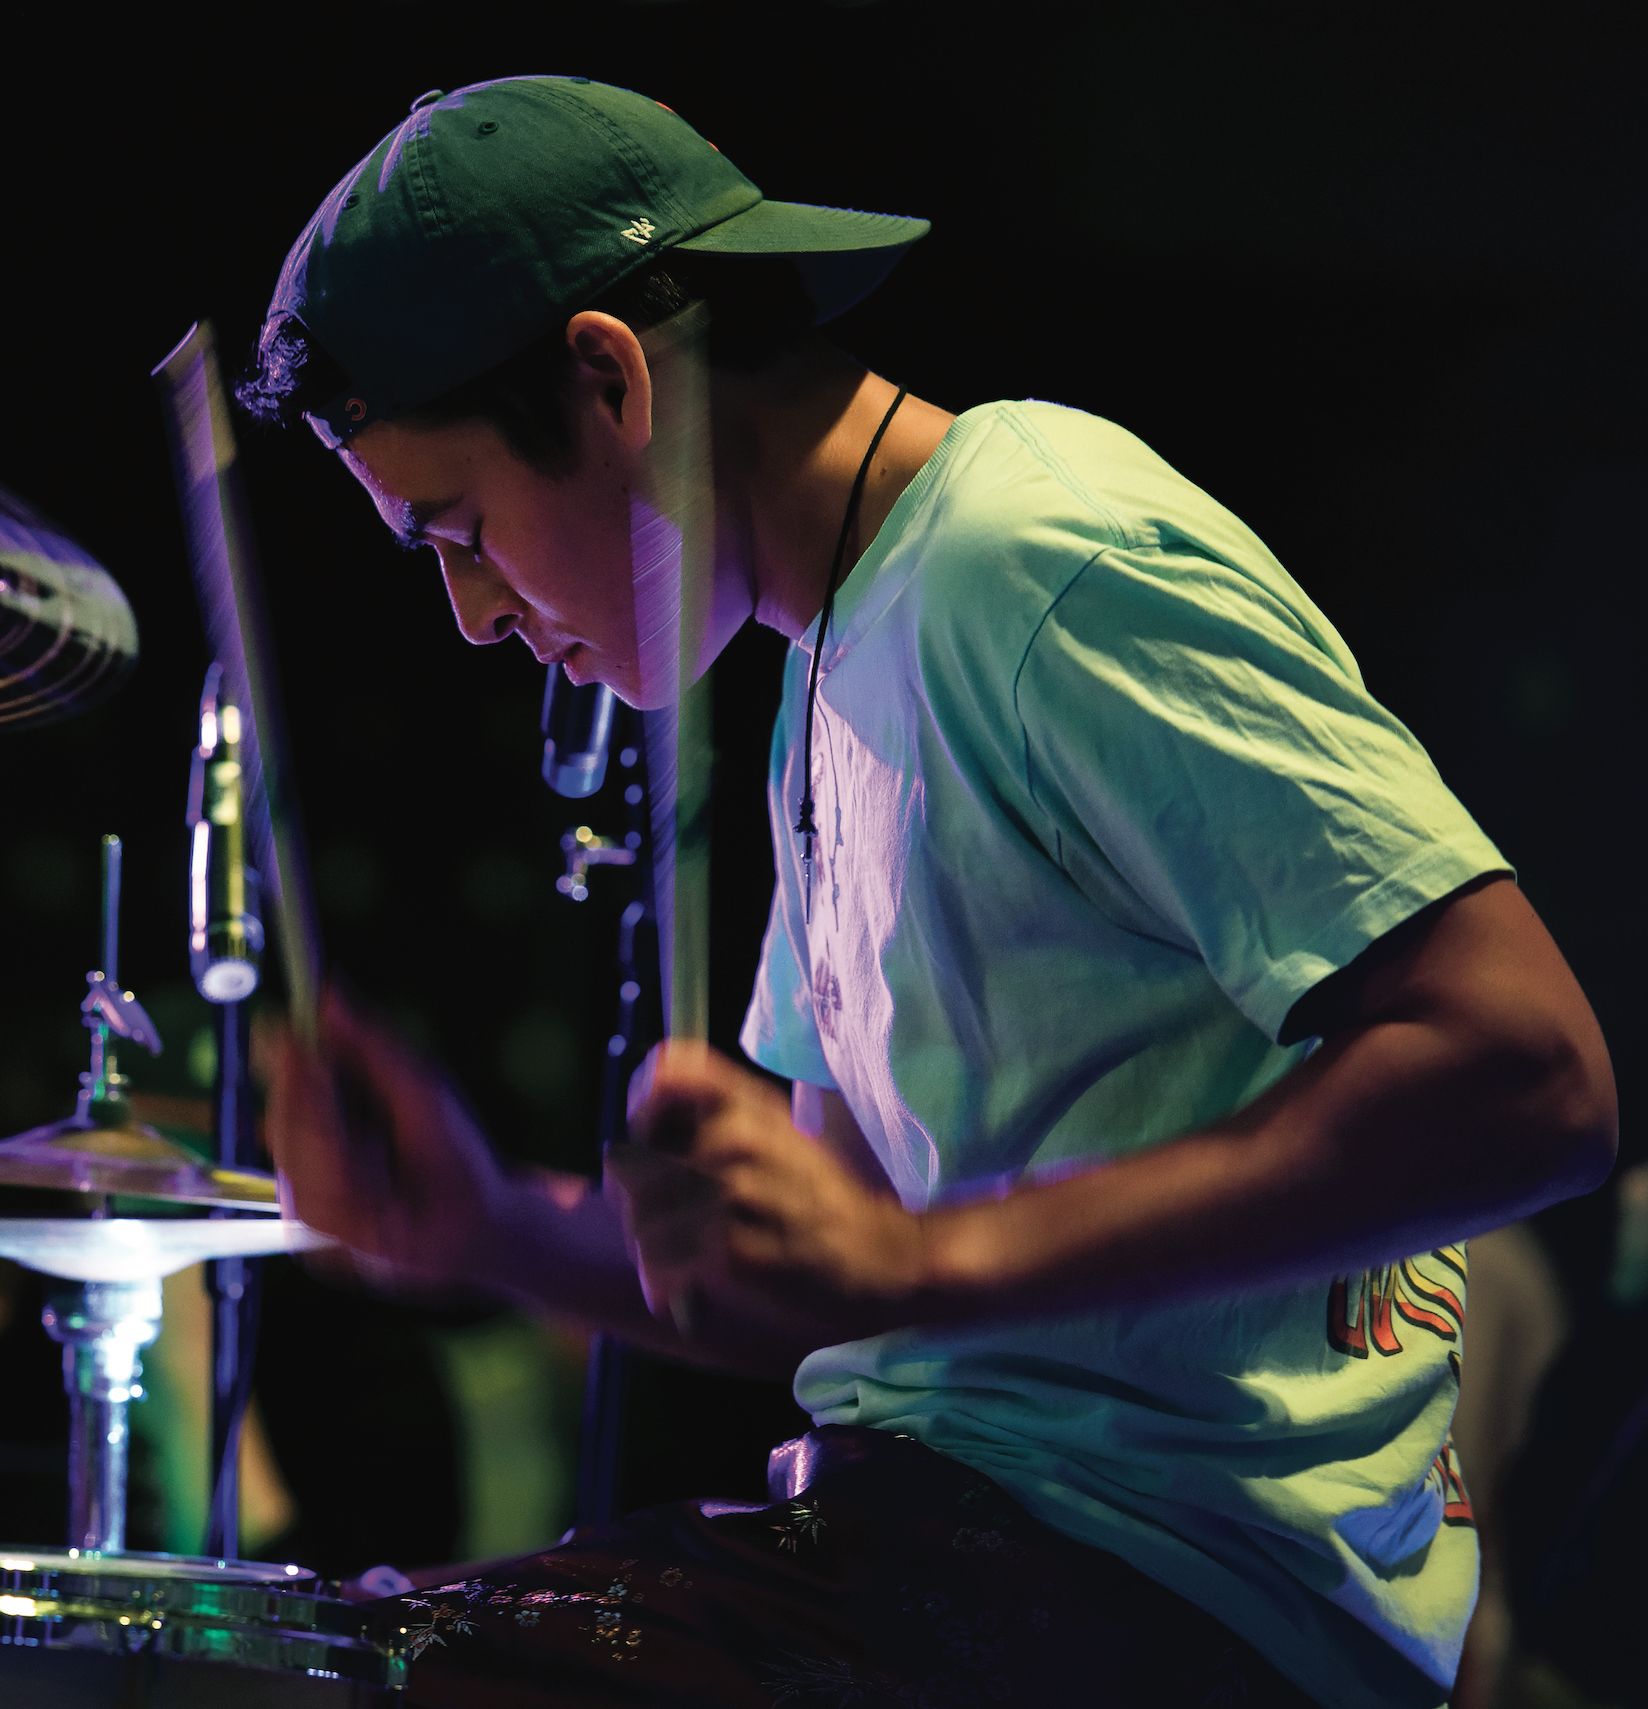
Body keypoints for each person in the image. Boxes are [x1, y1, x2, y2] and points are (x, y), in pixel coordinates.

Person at [241, 76, 1618, 1707]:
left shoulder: (1032, 553)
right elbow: (843, 1266)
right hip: (966, 1549)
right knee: (325, 1652)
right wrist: (483, 1223)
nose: (471, 614)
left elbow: (1535, 1068)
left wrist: (913, 1270)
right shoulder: (830, 663)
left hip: (1167, 1590)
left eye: (458, 528)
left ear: (610, 381)